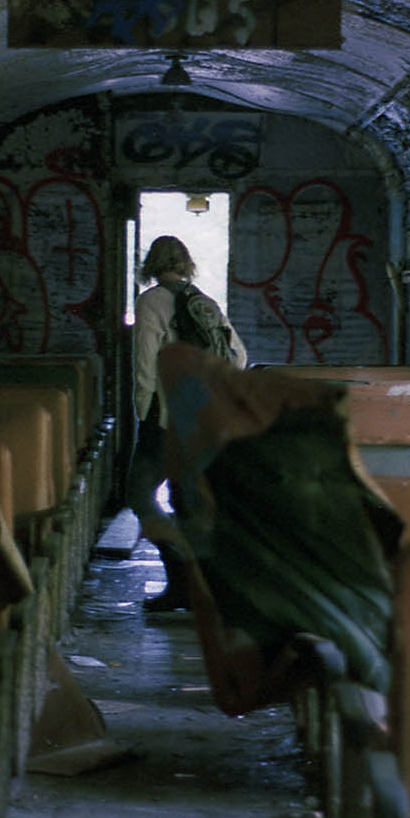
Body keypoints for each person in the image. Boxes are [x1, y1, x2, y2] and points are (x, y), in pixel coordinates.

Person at [128, 235, 246, 608]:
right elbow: (239, 355)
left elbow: (146, 363)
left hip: (164, 416)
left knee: (139, 493)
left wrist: (143, 408)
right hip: (203, 418)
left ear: (151, 264)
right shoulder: (205, 304)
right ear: (186, 264)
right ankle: (199, 588)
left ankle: (180, 578)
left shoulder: (150, 302)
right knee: (187, 499)